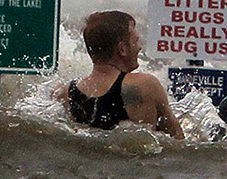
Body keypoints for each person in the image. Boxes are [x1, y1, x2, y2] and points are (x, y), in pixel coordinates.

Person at [54, 10, 184, 139]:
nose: (139, 47)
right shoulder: (145, 85)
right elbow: (177, 140)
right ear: (122, 49)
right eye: (136, 40)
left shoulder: (67, 93)